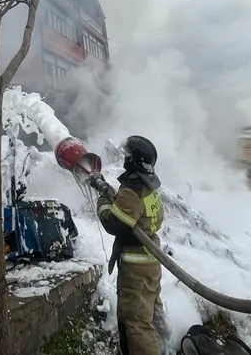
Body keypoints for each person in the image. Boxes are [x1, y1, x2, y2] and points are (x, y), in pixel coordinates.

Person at [90, 135, 166, 355]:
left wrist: (103, 201)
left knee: (136, 323)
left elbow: (113, 223)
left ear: (134, 161)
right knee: (151, 312)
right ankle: (165, 344)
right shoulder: (149, 185)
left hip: (136, 267)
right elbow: (133, 210)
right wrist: (107, 189)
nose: (124, 159)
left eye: (127, 156)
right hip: (150, 261)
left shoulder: (133, 189)